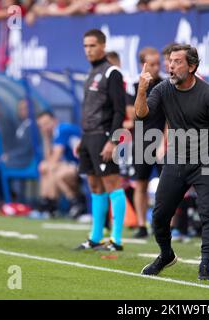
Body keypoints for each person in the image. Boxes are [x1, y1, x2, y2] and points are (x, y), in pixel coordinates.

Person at [134, 44, 209, 280]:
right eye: (169, 61)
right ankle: (166, 255)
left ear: (192, 66)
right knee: (159, 216)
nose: (170, 66)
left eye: (176, 62)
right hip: (175, 160)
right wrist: (142, 90)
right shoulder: (163, 88)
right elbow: (141, 114)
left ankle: (205, 265)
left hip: (204, 161)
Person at [75, 29, 127, 252]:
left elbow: (119, 110)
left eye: (92, 46)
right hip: (89, 137)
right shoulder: (91, 73)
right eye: (85, 46)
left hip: (105, 136)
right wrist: (83, 137)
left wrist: (113, 141)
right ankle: (95, 237)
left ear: (103, 46)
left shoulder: (112, 72)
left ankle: (116, 239)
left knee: (112, 184)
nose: (88, 50)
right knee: (94, 185)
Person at [127, 47, 165, 239]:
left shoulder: (166, 85)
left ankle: (166, 226)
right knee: (140, 184)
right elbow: (132, 114)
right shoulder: (133, 86)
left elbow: (170, 117)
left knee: (167, 185)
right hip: (141, 139)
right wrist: (142, 88)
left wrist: (164, 141)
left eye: (158, 63)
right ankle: (141, 225)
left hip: (161, 142)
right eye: (152, 64)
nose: (157, 67)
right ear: (143, 64)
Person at [35, 111, 85, 218]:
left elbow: (55, 158)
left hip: (85, 165)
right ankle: (48, 202)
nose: (45, 127)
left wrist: (49, 165)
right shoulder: (54, 133)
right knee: (45, 166)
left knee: (53, 171)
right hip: (73, 165)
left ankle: (69, 203)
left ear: (55, 121)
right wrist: (45, 138)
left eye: (47, 123)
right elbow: (49, 158)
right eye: (41, 125)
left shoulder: (62, 130)